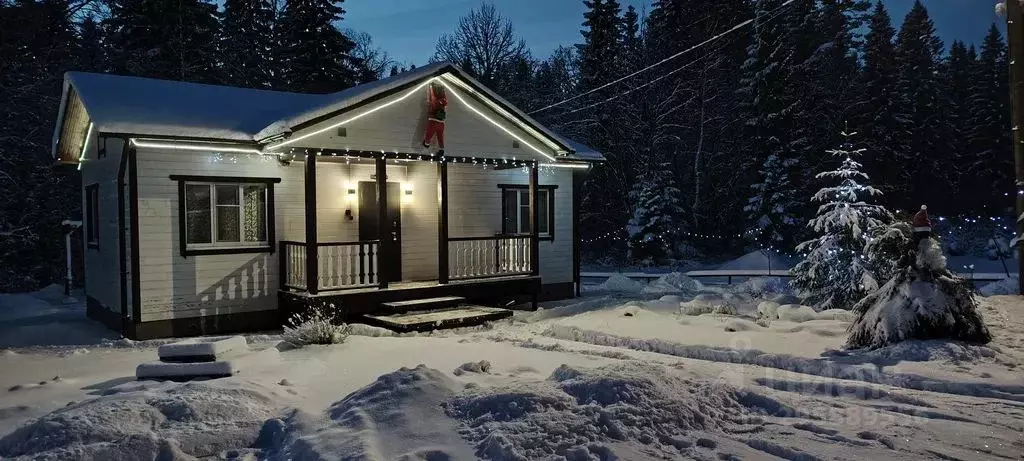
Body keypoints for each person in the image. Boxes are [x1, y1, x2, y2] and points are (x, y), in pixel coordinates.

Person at [422, 83, 447, 154]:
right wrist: (443, 89)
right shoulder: (444, 102)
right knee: (440, 137)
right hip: (441, 123)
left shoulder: (435, 101)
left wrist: (431, 87)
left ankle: (426, 144)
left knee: (428, 135)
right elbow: (444, 97)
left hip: (433, 121)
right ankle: (441, 149)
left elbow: (432, 95)